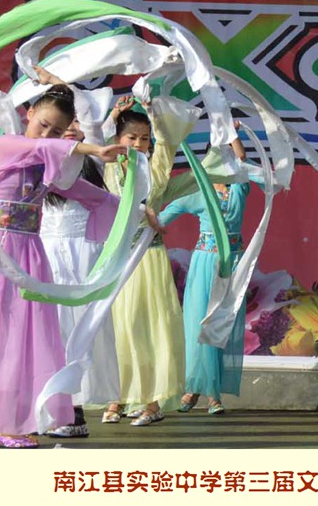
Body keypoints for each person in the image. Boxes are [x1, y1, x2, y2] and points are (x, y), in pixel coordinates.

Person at [0, 64, 127, 448]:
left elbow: (89, 194)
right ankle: (0, 425)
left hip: (31, 253)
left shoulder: (46, 168)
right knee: (3, 336)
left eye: (57, 131)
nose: (47, 134)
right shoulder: (9, 146)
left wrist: (137, 210)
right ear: (29, 114)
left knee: (29, 339)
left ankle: (18, 420)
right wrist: (91, 148)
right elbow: (40, 147)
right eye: (43, 124)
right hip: (1, 252)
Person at [34, 67, 121, 438]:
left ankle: (74, 412)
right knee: (49, 331)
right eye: (60, 126)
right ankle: (53, 407)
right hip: (46, 253)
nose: (69, 129)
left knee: (79, 331)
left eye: (74, 124)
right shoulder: (43, 158)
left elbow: (87, 112)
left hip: (83, 255)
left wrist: (59, 83)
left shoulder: (93, 159)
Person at [102, 96, 186, 426]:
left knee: (150, 326)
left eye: (144, 138)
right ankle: (117, 397)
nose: (138, 143)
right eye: (131, 137)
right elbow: (95, 139)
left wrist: (153, 112)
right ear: (118, 138)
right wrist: (114, 115)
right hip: (118, 259)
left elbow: (166, 143)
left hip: (149, 258)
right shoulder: (110, 166)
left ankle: (153, 402)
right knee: (119, 327)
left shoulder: (155, 170)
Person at [160, 127, 254, 415]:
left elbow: (242, 158)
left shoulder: (239, 187)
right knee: (200, 324)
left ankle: (212, 392)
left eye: (227, 157)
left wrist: (229, 132)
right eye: (219, 158)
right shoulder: (197, 192)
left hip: (232, 264)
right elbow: (162, 217)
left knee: (222, 326)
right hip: (205, 264)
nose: (226, 163)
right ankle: (196, 389)